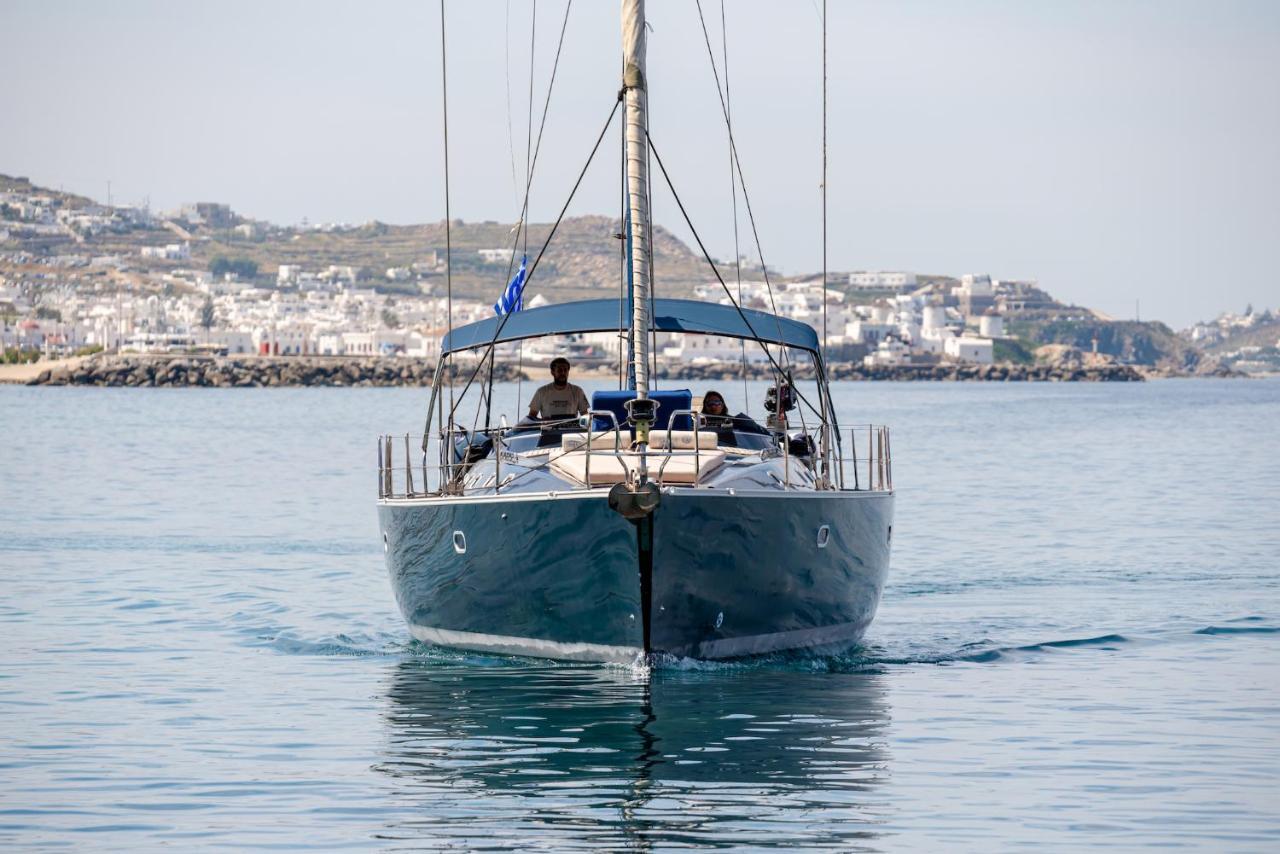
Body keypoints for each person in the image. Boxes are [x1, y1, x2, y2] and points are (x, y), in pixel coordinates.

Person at [527, 357, 589, 421]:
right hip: (547, 429)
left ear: (568, 372)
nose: (563, 373)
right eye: (559, 370)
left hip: (571, 430)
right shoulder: (541, 392)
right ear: (552, 372)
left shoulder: (578, 391)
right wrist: (542, 421)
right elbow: (531, 417)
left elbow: (585, 416)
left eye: (565, 370)